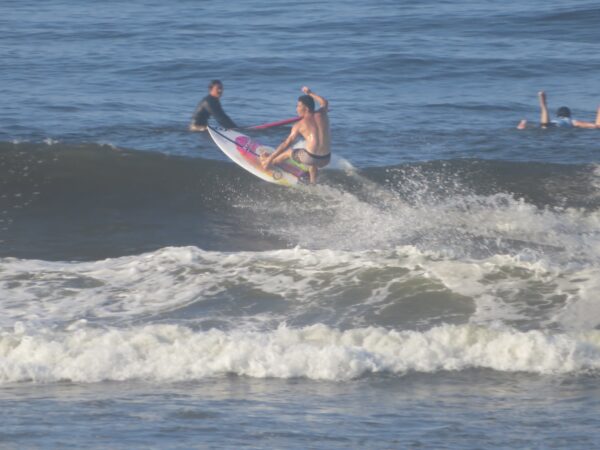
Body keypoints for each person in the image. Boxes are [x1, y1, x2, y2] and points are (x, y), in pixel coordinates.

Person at [261, 86, 331, 184]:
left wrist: (270, 158)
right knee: (313, 159)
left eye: (298, 106)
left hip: (310, 158)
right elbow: (324, 102)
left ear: (306, 108)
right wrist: (310, 93)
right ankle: (313, 183)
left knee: (289, 152)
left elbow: (286, 143)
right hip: (326, 159)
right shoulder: (322, 113)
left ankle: (271, 162)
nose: (296, 109)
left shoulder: (299, 125)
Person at [517, 91, 600, 129]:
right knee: (545, 125)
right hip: (558, 126)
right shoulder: (572, 121)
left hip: (553, 123)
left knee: (544, 125)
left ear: (557, 114)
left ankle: (543, 105)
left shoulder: (556, 119)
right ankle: (543, 105)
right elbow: (593, 126)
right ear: (569, 114)